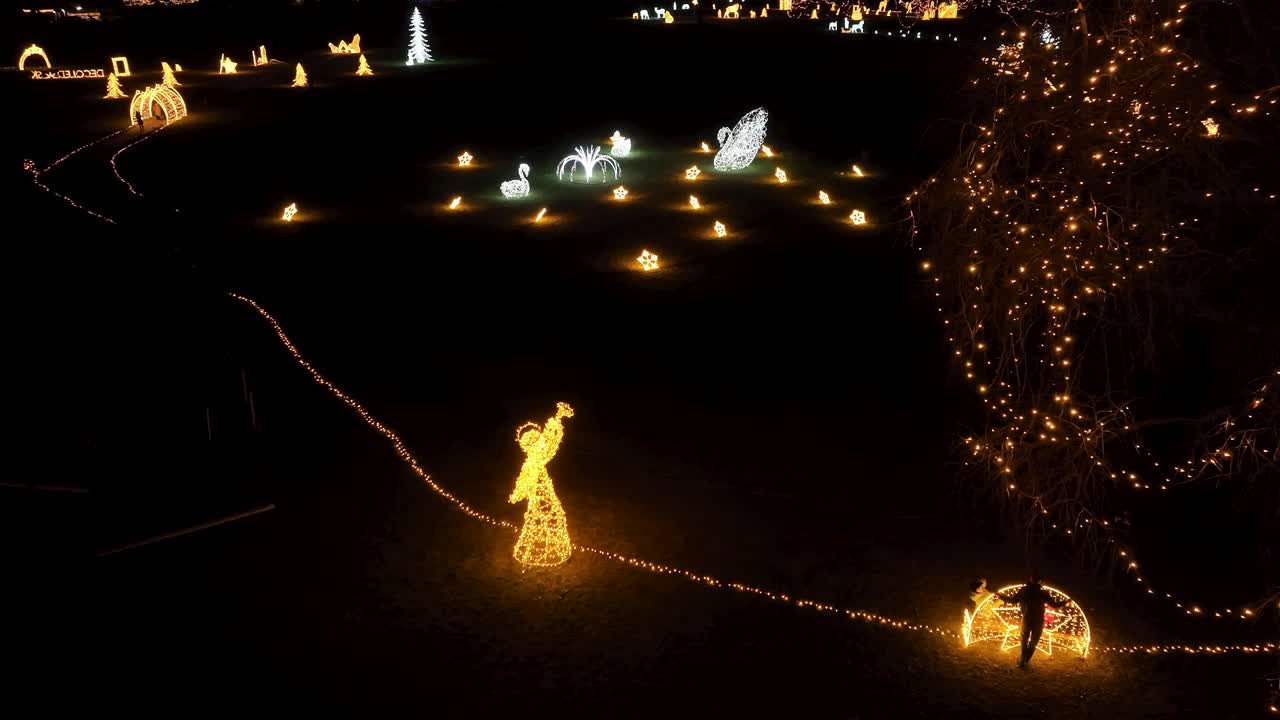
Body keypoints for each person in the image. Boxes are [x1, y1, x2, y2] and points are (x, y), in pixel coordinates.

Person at [1001, 573, 1067, 668]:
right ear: (1040, 582)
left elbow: (1013, 600)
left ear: (1030, 580)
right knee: (1034, 640)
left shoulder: (1024, 591)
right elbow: (1055, 605)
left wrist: (1000, 595)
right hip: (1038, 620)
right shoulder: (1043, 593)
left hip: (1027, 618)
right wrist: (1066, 601)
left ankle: (1022, 660)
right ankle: (1026, 660)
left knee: (1024, 639)